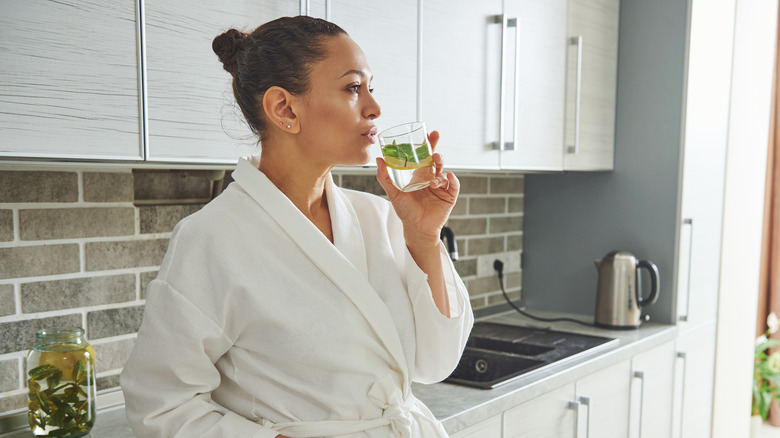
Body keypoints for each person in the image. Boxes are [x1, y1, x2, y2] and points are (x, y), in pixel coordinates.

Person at [120, 15, 473, 438]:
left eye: (370, 88)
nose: (374, 107)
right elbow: (160, 405)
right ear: (285, 109)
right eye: (352, 88)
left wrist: (423, 237)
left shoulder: (380, 217)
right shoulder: (212, 237)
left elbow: (436, 363)